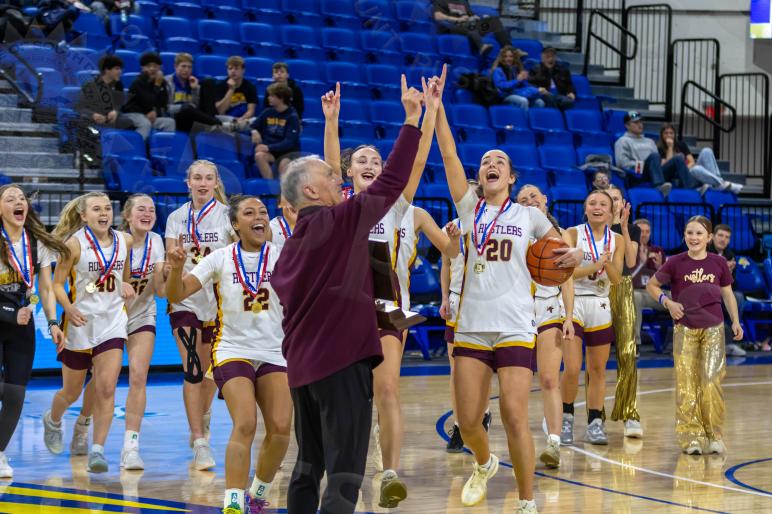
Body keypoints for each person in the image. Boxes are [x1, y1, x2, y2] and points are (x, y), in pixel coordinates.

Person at [271, 74, 431, 514]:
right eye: (329, 176)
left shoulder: (290, 248)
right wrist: (411, 121)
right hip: (341, 366)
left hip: (302, 372)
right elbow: (393, 180)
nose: (336, 178)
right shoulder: (339, 223)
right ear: (310, 190)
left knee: (308, 466)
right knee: (345, 475)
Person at [435, 94, 581, 512]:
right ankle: (484, 462)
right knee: (467, 421)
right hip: (472, 326)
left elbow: (563, 249)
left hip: (516, 324)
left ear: (511, 177)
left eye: (499, 161)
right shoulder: (468, 209)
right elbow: (448, 155)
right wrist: (438, 109)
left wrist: (574, 255)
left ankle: (526, 501)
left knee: (515, 415)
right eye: (485, 161)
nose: (491, 164)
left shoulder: (528, 216)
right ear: (480, 176)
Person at [322, 71, 444, 508]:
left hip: (388, 303)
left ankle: (390, 472)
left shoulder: (394, 202)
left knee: (388, 388)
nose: (371, 164)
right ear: (349, 172)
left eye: (376, 159)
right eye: (362, 160)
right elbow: (329, 164)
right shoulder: (339, 202)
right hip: (344, 306)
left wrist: (427, 113)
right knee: (353, 396)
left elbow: (417, 158)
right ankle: (349, 461)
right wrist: (331, 122)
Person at [167, 196, 291, 514]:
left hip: (275, 350)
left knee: (280, 428)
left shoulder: (283, 255)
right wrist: (177, 268)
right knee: (246, 422)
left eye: (262, 212)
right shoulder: (220, 258)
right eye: (249, 213)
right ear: (235, 224)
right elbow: (177, 293)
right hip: (232, 350)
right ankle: (233, 502)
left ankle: (258, 494)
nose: (259, 216)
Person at [43, 192, 135, 473]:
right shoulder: (73, 244)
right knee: (70, 392)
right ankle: (53, 420)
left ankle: (98, 449)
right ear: (83, 216)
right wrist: (69, 308)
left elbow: (124, 276)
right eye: (96, 209)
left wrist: (127, 286)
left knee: (106, 387)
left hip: (112, 323)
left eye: (107, 208)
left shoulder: (125, 240)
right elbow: (57, 284)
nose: (104, 213)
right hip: (80, 323)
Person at [73, 194, 166, 469]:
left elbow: (161, 292)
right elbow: (92, 283)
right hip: (110, 315)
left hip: (141, 314)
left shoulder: (157, 242)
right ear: (126, 216)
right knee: (103, 381)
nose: (147, 214)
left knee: (139, 375)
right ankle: (83, 422)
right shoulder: (113, 241)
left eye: (151, 210)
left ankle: (130, 447)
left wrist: (170, 271)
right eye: (141, 209)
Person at [646, 215, 743, 455]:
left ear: (709, 237)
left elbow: (727, 293)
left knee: (711, 382)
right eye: (689, 232)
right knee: (687, 384)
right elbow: (652, 285)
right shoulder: (675, 262)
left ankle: (714, 435)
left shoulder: (718, 262)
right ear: (684, 236)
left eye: (699, 233)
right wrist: (667, 302)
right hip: (685, 329)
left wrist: (735, 321)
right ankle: (691, 438)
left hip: (714, 330)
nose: (694, 237)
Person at [164, 160, 235, 471]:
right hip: (186, 299)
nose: (203, 183)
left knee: (208, 373)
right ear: (188, 183)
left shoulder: (228, 215)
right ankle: (200, 441)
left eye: (208, 178)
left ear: (216, 182)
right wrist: (172, 263)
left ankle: (202, 418)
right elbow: (171, 262)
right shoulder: (175, 218)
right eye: (197, 178)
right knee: (192, 369)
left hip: (218, 301)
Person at [0, 185, 67, 478]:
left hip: (22, 323)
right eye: (10, 199)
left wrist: (52, 322)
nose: (19, 202)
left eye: (21, 198)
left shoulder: (36, 243)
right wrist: (10, 314)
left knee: (15, 395)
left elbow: (46, 288)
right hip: (7, 316)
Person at [516, 184, 575, 469]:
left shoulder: (559, 235)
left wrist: (569, 316)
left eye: (533, 197)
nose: (529, 201)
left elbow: (567, 280)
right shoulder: (514, 232)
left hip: (549, 308)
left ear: (545, 200)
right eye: (523, 199)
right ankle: (520, 441)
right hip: (518, 311)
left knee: (550, 379)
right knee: (519, 384)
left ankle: (553, 442)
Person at [560, 190, 624, 447]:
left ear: (611, 211)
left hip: (600, 303)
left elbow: (617, 279)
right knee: (572, 367)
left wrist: (606, 264)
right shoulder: (572, 234)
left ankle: (595, 422)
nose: (597, 207)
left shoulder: (617, 240)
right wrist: (596, 265)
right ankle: (565, 418)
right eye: (592, 203)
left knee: (597, 370)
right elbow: (566, 272)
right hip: (573, 302)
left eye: (603, 204)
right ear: (585, 209)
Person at [440, 181, 493, 453]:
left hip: (483, 302)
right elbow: (446, 266)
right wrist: (443, 297)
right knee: (456, 370)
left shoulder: (492, 227)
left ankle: (483, 413)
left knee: (481, 368)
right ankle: (459, 424)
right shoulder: (450, 227)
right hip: (457, 302)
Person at [607, 185, 643, 438]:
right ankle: (594, 416)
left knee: (628, 352)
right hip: (597, 288)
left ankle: (629, 413)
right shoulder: (590, 228)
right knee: (596, 358)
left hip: (623, 287)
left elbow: (631, 261)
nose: (612, 202)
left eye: (616, 198)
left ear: (622, 203)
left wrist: (623, 227)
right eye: (607, 199)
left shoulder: (632, 229)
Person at [614, 112, 694, 195]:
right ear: (627, 126)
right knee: (654, 156)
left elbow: (658, 162)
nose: (640, 125)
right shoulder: (622, 141)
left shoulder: (650, 141)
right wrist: (644, 164)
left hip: (656, 172)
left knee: (678, 158)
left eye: (641, 122)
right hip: (639, 174)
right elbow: (622, 163)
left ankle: (691, 189)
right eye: (636, 122)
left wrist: (661, 163)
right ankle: (660, 187)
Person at [657, 124, 743, 195]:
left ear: (674, 134)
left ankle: (717, 183)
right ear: (662, 135)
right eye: (666, 133)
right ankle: (720, 184)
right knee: (696, 169)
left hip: (689, 171)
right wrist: (670, 147)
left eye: (671, 133)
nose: (669, 135)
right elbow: (667, 165)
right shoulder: (660, 148)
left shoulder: (681, 144)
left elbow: (692, 161)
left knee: (706, 151)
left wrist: (686, 168)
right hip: (682, 178)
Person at [708, 224, 747, 357]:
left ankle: (733, 338)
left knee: (738, 297)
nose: (723, 239)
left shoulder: (730, 255)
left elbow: (732, 286)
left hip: (722, 292)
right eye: (720, 235)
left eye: (727, 237)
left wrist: (728, 274)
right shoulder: (705, 252)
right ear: (712, 237)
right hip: (706, 291)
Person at [251, 83, 300, 179]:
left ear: (281, 98)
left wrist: (268, 147)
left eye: (272, 96)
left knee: (283, 164)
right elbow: (252, 126)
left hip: (287, 153)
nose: (268, 98)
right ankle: (271, 184)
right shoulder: (268, 112)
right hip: (272, 151)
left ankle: (283, 188)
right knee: (259, 156)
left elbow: (289, 142)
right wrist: (254, 131)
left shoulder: (292, 117)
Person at [122, 52, 176, 140]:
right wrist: (157, 86)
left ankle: (164, 148)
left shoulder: (161, 83)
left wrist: (155, 112)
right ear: (142, 68)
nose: (152, 69)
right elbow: (148, 101)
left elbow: (163, 103)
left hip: (148, 115)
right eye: (148, 66)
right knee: (145, 124)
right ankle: (136, 146)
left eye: (155, 66)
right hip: (133, 114)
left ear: (160, 68)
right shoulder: (138, 82)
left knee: (169, 122)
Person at [631, 218, 668, 346]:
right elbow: (625, 280)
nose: (644, 234)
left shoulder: (657, 251)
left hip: (654, 293)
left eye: (647, 231)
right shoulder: (626, 251)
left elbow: (665, 282)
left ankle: (689, 341)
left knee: (680, 297)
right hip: (635, 291)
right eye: (641, 231)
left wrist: (660, 268)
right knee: (635, 297)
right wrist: (641, 263)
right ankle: (634, 344)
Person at [166, 53, 223, 133]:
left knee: (209, 82)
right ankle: (218, 124)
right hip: (177, 118)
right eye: (183, 66)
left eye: (189, 67)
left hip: (195, 117)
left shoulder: (193, 81)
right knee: (187, 108)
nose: (186, 70)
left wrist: (195, 89)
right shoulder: (167, 82)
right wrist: (182, 107)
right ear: (175, 66)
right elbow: (166, 108)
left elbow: (197, 106)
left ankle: (212, 122)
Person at [432, 0, 511, 56]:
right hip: (453, 26)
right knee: (470, 27)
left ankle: (508, 48)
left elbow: (471, 15)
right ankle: (481, 47)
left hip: (468, 24)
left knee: (494, 21)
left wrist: (479, 18)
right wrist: (458, 19)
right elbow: (437, 16)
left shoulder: (463, 1)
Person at [215, 56, 258, 132]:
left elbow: (251, 111)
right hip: (226, 120)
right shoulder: (220, 86)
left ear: (243, 70)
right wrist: (231, 89)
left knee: (255, 120)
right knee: (215, 118)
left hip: (243, 120)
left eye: (236, 68)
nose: (233, 71)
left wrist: (240, 120)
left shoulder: (250, 87)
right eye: (230, 68)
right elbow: (220, 111)